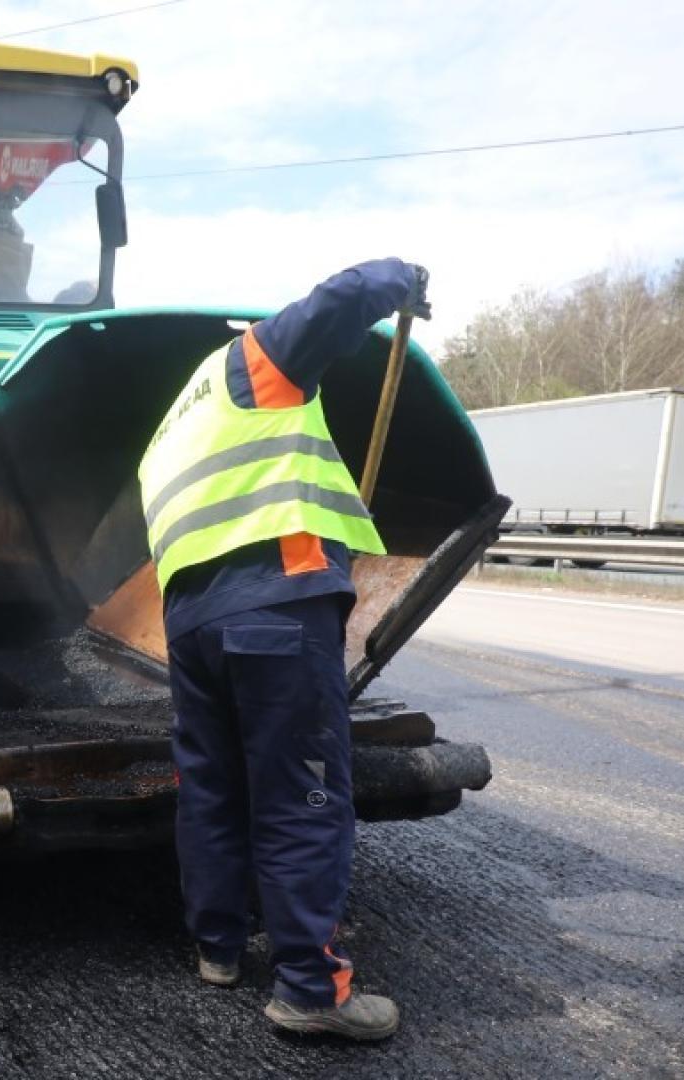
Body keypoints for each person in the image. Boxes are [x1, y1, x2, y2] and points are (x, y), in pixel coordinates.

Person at [137, 257, 430, 1042]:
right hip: (277, 606)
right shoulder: (245, 366)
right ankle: (308, 988)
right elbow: (338, 300)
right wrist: (401, 276)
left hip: (193, 629)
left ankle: (218, 947)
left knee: (211, 786)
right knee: (302, 793)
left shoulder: (166, 437)